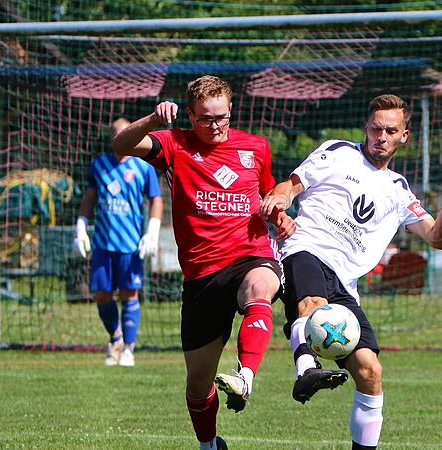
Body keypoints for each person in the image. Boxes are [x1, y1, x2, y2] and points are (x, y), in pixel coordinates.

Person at [260, 94, 442, 450]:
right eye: (376, 128)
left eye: (390, 130)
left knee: (370, 372)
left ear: (404, 135)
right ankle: (306, 371)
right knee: (312, 303)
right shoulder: (339, 153)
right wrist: (280, 199)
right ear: (366, 128)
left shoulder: (399, 191)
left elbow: (437, 238)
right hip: (305, 249)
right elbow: (290, 186)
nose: (381, 136)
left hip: (345, 283)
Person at [111, 75, 294, 450]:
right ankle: (209, 444)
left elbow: (266, 194)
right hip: (201, 274)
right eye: (205, 119)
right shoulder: (174, 143)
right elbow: (120, 143)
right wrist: (152, 121)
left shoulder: (256, 147)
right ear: (190, 116)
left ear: (231, 111)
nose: (215, 126)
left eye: (222, 117)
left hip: (250, 255)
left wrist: (279, 214)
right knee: (198, 383)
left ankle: (245, 376)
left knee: (260, 288)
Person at [74, 117, 163, 367]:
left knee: (129, 294)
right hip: (103, 244)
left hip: (131, 244)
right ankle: (116, 339)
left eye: (124, 133)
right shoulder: (100, 164)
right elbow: (90, 198)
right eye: (115, 133)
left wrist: (152, 231)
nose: (119, 137)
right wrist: (81, 224)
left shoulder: (143, 167)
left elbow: (156, 199)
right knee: (102, 295)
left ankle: (129, 350)